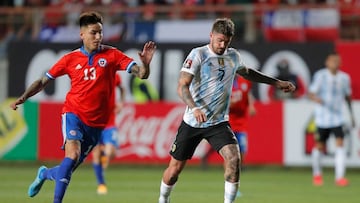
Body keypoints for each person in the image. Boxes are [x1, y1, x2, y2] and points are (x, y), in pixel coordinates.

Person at [10, 11, 156, 203]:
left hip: (96, 124)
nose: (98, 37)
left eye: (100, 33)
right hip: (73, 114)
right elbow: (44, 81)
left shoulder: (112, 55)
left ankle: (44, 174)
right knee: (72, 155)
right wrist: (24, 97)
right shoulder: (70, 59)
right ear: (82, 35)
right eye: (93, 33)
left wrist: (145, 65)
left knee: (67, 168)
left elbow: (141, 74)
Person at [157, 18, 295, 203]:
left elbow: (247, 72)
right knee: (174, 171)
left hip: (218, 122)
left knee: (233, 159)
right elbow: (182, 86)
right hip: (193, 120)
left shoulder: (233, 56)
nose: (222, 45)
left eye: (226, 41)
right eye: (219, 40)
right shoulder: (198, 55)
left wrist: (276, 82)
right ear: (211, 36)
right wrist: (194, 107)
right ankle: (163, 199)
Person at [309, 52, 355, 187]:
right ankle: (317, 175)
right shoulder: (320, 76)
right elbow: (311, 93)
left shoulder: (345, 78)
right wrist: (315, 98)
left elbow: (347, 97)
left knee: (340, 144)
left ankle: (340, 177)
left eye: (337, 61)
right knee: (319, 146)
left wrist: (351, 115)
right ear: (327, 62)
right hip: (322, 118)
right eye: (332, 61)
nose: (335, 63)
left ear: (340, 63)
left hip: (337, 118)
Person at [201, 75, 256, 170]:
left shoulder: (244, 81)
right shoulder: (222, 83)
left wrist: (251, 105)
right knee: (227, 148)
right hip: (227, 120)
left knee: (242, 146)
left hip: (241, 121)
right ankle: (228, 172)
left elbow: (248, 93)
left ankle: (240, 166)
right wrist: (228, 104)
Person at [92, 73, 125, 195]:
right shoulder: (93, 74)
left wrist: (121, 103)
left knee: (111, 151)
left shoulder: (114, 76)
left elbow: (122, 88)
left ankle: (104, 157)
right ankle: (101, 184)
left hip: (109, 123)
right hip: (94, 121)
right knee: (96, 153)